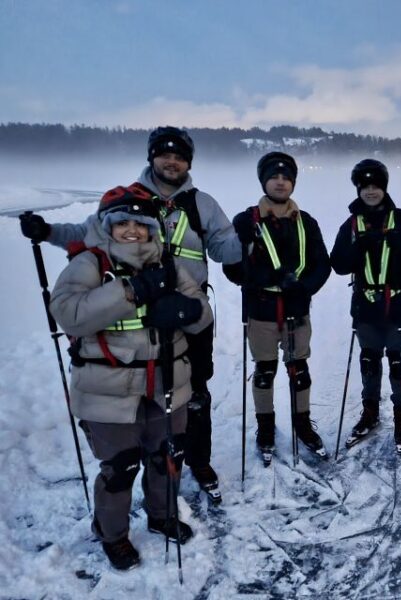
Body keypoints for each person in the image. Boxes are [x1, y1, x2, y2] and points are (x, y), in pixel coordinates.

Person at [19, 126, 239, 503]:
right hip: (134, 313)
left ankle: (197, 460)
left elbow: (226, 250)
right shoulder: (130, 200)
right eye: (164, 154)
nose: (172, 161)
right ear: (152, 157)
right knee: (144, 393)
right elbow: (86, 233)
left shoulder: (203, 204)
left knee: (194, 391)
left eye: (180, 156)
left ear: (189, 162)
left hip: (188, 310)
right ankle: (141, 458)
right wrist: (48, 231)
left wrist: (250, 236)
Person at [48, 184, 212, 570]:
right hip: (107, 388)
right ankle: (113, 534)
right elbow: (69, 312)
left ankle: (161, 514)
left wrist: (183, 311)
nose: (132, 230)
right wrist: (132, 290)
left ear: (153, 228)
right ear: (108, 226)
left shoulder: (170, 264)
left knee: (167, 456)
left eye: (140, 223)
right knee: (120, 468)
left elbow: (201, 312)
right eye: (122, 223)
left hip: (167, 382)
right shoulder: (90, 263)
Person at [223, 151, 332, 463]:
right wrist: (258, 268)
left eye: (286, 177)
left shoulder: (306, 222)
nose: (281, 182)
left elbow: (321, 265)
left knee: (299, 370)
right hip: (261, 310)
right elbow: (233, 271)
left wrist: (304, 289)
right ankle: (265, 427)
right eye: (274, 176)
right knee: (265, 371)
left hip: (297, 309)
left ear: (293, 183)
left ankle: (302, 424)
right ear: (264, 181)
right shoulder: (246, 221)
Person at [330, 159, 401, 453]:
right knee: (369, 360)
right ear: (359, 189)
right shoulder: (351, 225)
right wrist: (358, 247)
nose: (371, 191)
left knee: (398, 363)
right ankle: (370, 413)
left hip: (399, 304)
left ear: (384, 188)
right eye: (365, 186)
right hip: (366, 305)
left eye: (376, 186)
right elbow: (337, 264)